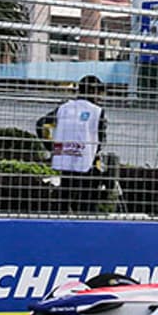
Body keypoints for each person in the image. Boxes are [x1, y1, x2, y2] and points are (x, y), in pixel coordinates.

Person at [37, 75, 108, 214]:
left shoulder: (64, 108)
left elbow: (42, 125)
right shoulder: (97, 111)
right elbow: (100, 140)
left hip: (66, 161)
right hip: (89, 164)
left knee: (64, 200)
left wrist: (52, 148)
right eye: (100, 92)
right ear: (95, 92)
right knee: (87, 207)